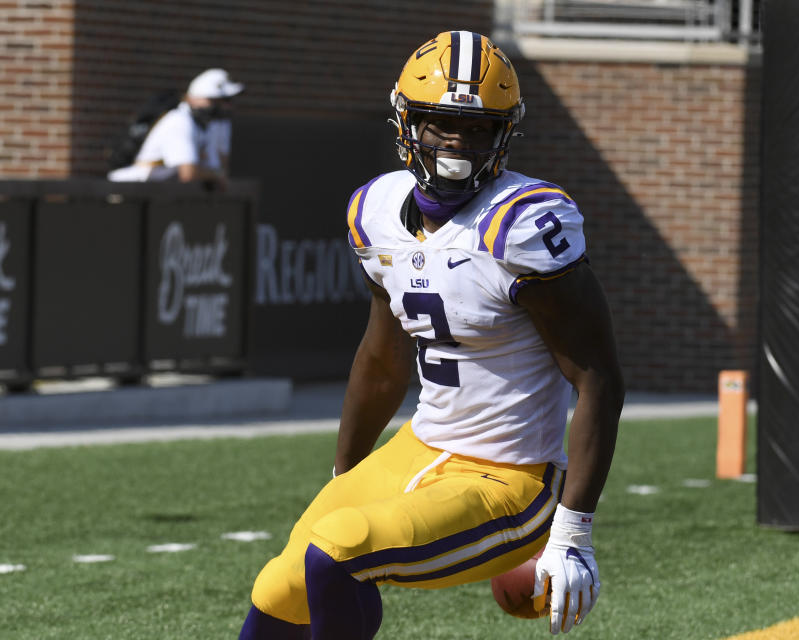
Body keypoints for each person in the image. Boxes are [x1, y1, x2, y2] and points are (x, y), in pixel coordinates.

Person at [237, 31, 624, 639]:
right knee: (281, 585)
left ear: (505, 133)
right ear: (406, 122)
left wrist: (573, 532)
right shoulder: (375, 210)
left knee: (339, 549)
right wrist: (346, 475)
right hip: (424, 445)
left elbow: (597, 378)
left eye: (477, 128)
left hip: (511, 477)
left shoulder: (520, 224)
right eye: (441, 122)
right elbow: (384, 359)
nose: (457, 142)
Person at [107, 68, 243, 187]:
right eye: (215, 101)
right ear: (194, 99)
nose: (224, 107)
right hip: (131, 191)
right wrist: (216, 175)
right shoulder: (180, 121)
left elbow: (215, 169)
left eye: (227, 101)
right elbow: (188, 174)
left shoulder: (206, 126)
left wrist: (215, 174)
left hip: (158, 195)